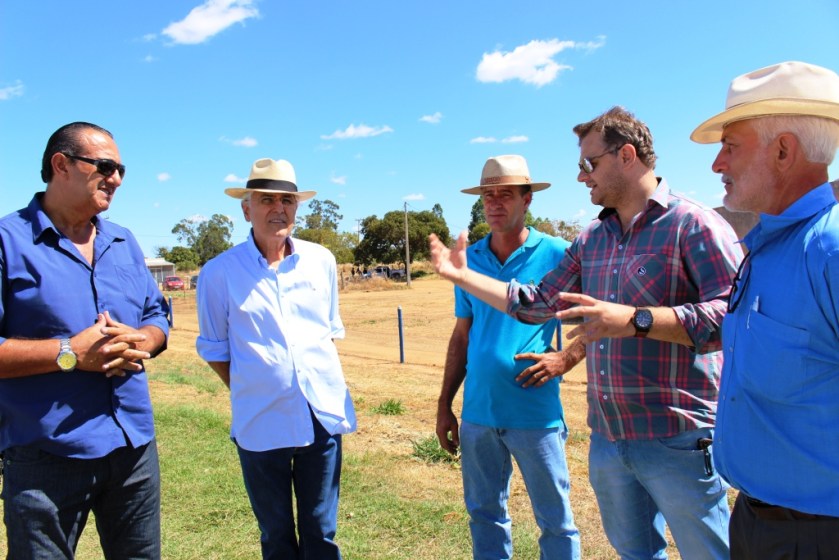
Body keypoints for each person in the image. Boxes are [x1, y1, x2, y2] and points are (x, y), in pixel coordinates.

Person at [429, 107, 742, 559]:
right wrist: (462, 277)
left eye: (589, 164)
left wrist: (638, 319)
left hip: (678, 438)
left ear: (627, 156)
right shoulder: (592, 239)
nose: (582, 177)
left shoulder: (694, 225)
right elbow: (537, 304)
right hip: (610, 438)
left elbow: (731, 319)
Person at [0, 122, 170, 559]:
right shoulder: (8, 242)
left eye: (120, 170)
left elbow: (156, 314)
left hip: (133, 448)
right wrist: (69, 354)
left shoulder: (123, 241)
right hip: (46, 456)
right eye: (105, 166)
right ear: (61, 165)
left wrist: (146, 339)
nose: (115, 178)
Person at [691, 60, 839, 557]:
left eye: (730, 147)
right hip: (758, 522)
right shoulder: (766, 247)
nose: (717, 165)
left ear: (783, 151)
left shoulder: (830, 250)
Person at [196, 158, 356, 560]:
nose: (278, 208)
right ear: (246, 208)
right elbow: (215, 349)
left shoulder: (322, 261)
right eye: (267, 199)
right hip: (260, 422)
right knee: (276, 536)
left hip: (321, 416)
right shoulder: (219, 273)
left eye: (287, 199)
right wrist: (256, 386)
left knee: (322, 531)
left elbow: (328, 333)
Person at [437, 155, 584, 559]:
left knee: (555, 520)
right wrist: (444, 405)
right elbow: (462, 336)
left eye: (505, 194)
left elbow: (599, 320)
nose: (495, 203)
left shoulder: (559, 253)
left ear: (527, 200)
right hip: (479, 414)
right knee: (484, 514)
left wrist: (565, 358)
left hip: (535, 413)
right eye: (488, 195)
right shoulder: (470, 261)